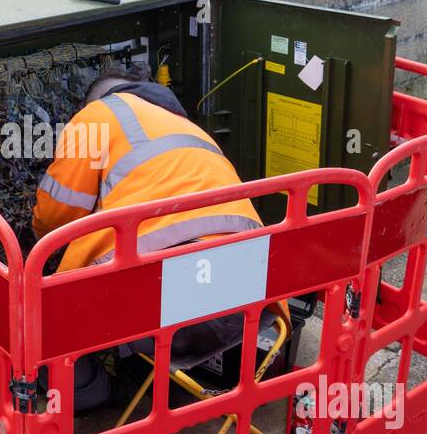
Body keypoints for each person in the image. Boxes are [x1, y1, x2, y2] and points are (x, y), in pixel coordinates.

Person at [32, 69, 263, 410]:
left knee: (43, 315)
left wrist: (35, 240)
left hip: (169, 305)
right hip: (249, 302)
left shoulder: (99, 114)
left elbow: (56, 215)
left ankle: (98, 395)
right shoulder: (189, 129)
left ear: (98, 100)